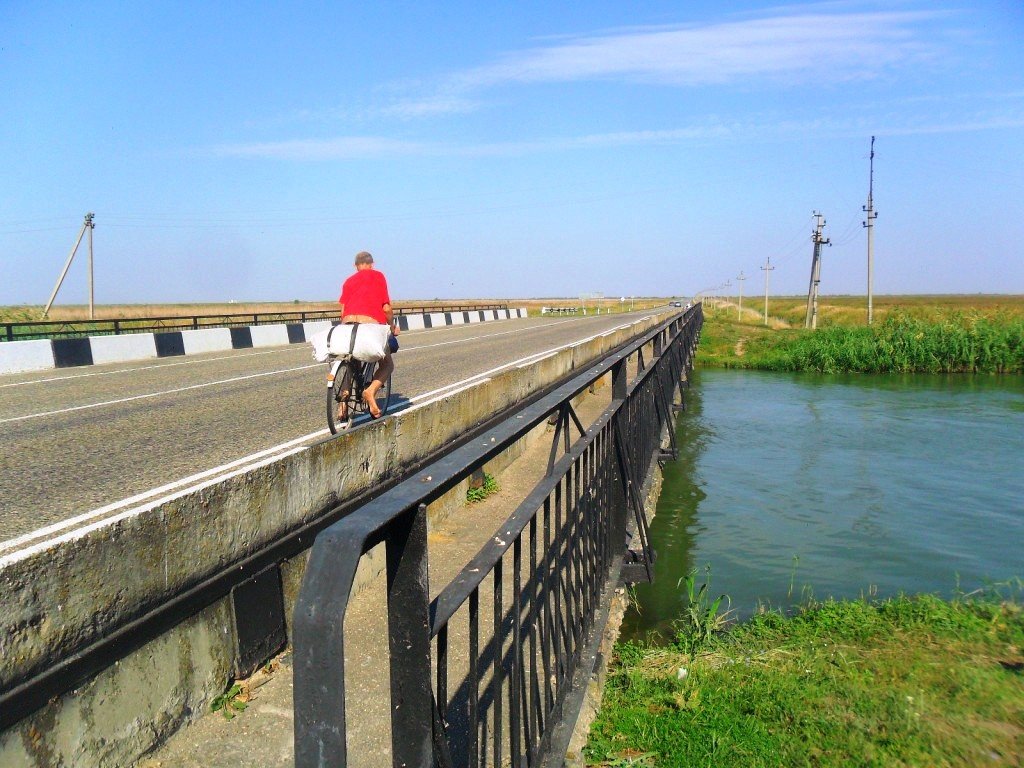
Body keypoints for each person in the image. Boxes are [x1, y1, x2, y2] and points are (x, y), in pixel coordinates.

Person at [338, 250, 398, 419]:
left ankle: (342, 406)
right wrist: (392, 326)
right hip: (370, 325)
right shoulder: (378, 276)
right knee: (387, 364)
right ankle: (370, 391)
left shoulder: (349, 280)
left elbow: (342, 310)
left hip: (348, 325)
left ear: (355, 266)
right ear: (372, 264)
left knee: (351, 359)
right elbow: (386, 309)